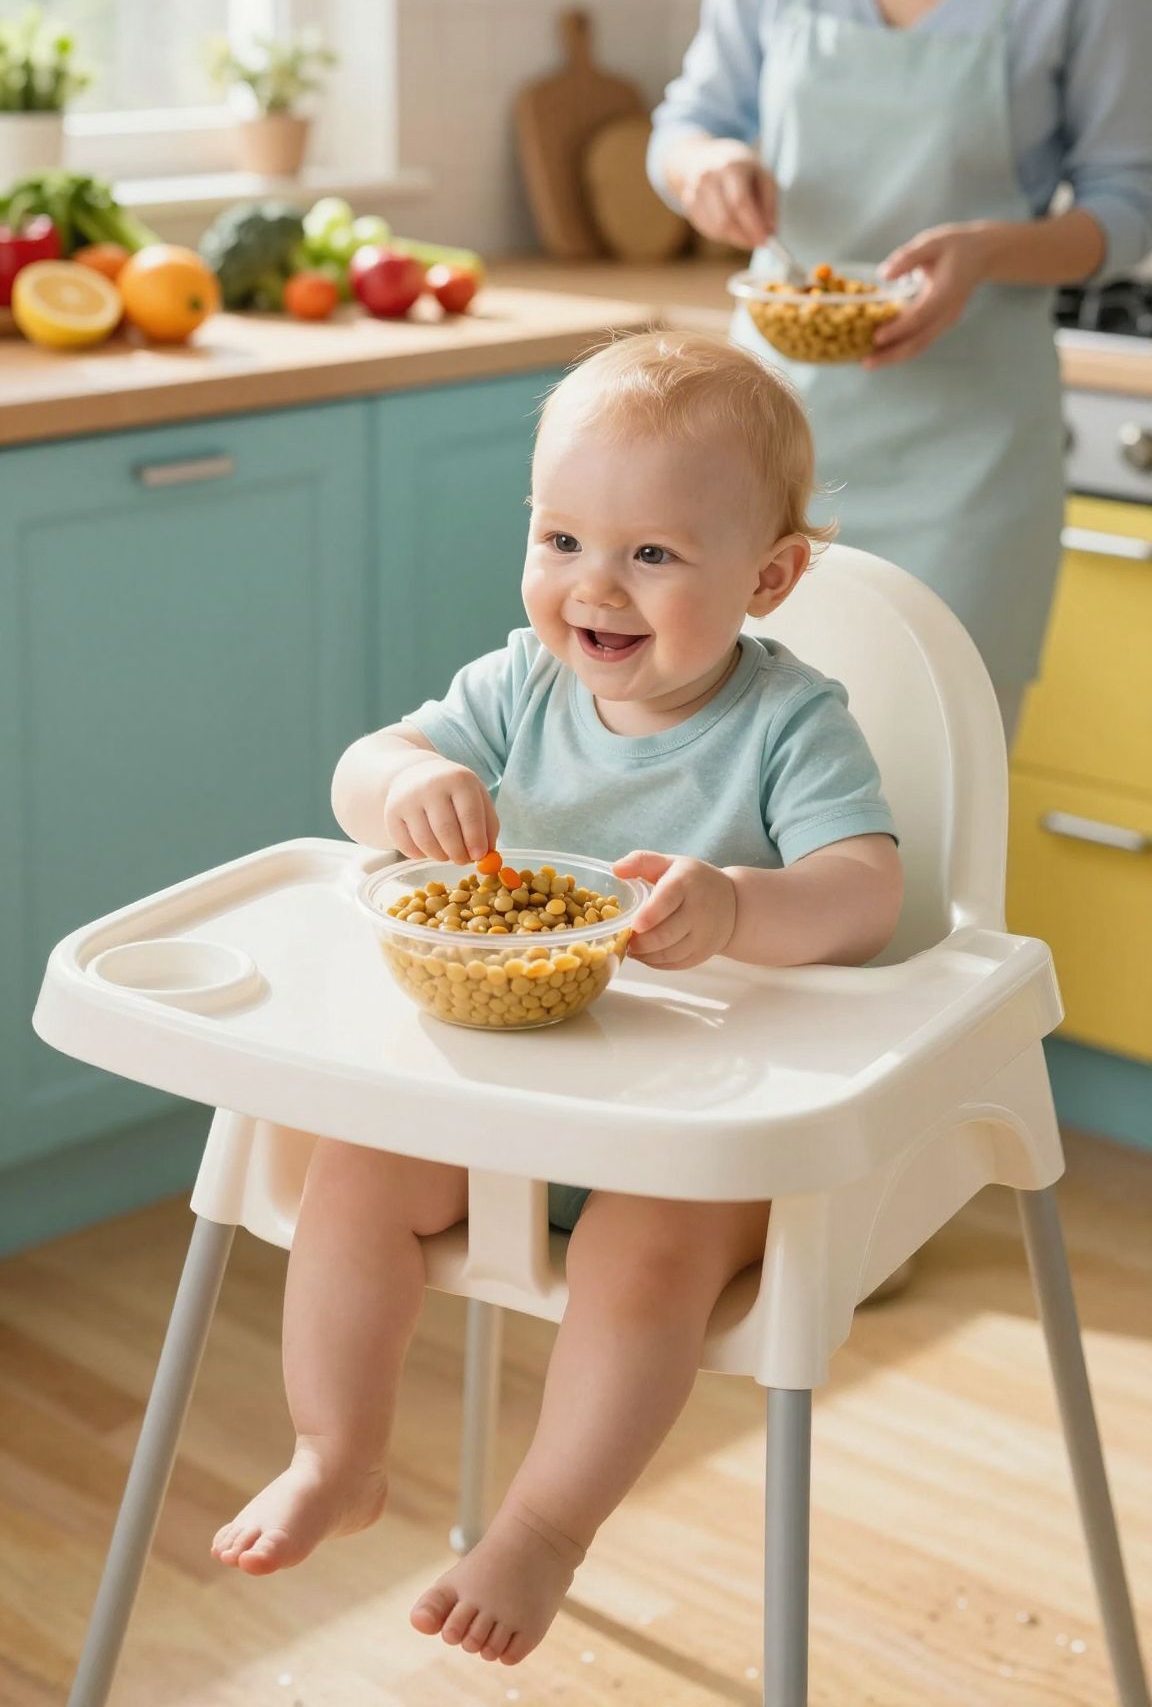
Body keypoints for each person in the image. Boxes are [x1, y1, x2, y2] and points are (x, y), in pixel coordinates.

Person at [210, 331, 903, 1667]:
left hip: (697, 1123)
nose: (596, 585)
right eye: (562, 538)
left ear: (769, 577)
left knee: (640, 1262)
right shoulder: (520, 687)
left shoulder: (790, 723)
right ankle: (336, 1453)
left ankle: (540, 1528)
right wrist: (394, 785)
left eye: (653, 554)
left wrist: (745, 907)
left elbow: (865, 887)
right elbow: (368, 764)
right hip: (505, 1094)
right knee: (354, 1174)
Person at [649, 0, 1152, 741]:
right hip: (767, 445)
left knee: (927, 804)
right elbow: (686, 120)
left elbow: (1130, 206)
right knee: (739, 794)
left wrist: (987, 253)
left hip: (971, 457)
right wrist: (707, 167)